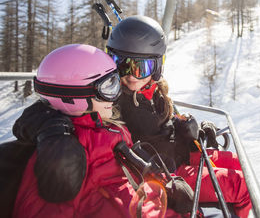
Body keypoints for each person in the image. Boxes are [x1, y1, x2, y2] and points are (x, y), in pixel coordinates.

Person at [11, 44, 189, 218]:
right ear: (75, 96)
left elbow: (130, 175)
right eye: (108, 87)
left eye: (115, 82)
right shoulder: (65, 153)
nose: (117, 94)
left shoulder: (111, 128)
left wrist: (166, 183)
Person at [107, 16, 251, 217]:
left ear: (157, 67)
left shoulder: (154, 91)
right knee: (243, 185)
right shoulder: (114, 101)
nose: (130, 75)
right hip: (172, 172)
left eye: (140, 68)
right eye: (122, 65)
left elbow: (166, 124)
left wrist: (190, 130)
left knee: (238, 163)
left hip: (183, 154)